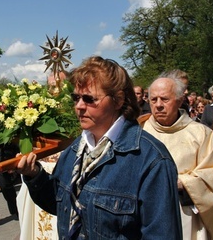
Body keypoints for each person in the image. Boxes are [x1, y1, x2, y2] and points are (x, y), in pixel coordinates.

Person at [16, 56, 182, 239]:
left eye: (89, 99)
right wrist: (34, 175)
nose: (79, 106)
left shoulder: (150, 159)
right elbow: (59, 203)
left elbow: (162, 234)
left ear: (118, 100)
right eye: (76, 97)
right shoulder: (75, 149)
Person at [140, 75, 213, 240]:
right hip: (146, 213)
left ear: (180, 101)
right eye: (153, 99)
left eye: (165, 99)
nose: (158, 105)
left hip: (187, 214)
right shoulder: (139, 132)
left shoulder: (201, 134)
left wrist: (182, 183)